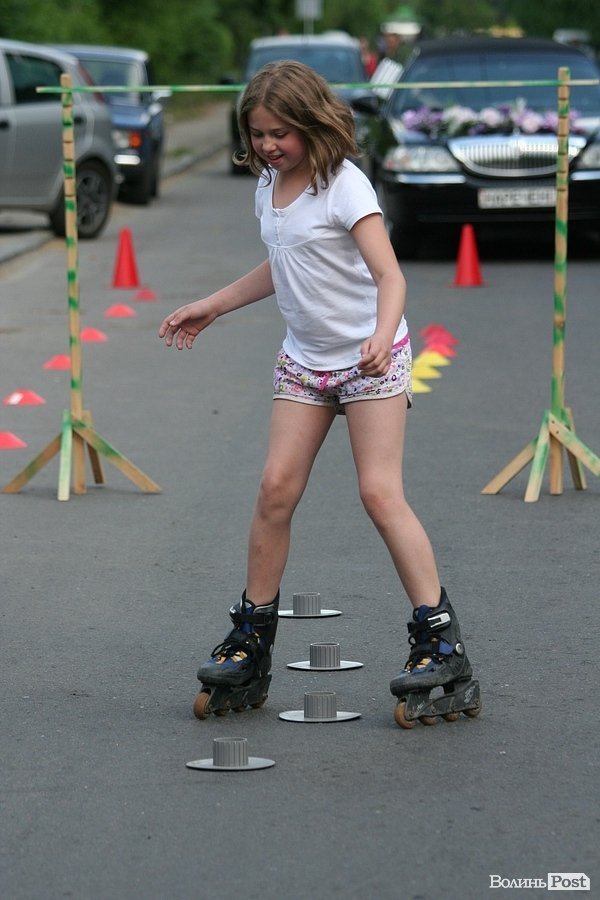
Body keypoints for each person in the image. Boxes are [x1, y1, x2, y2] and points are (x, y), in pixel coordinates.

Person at [158, 61, 479, 727]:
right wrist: (214, 305)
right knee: (275, 490)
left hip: (369, 361)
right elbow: (284, 263)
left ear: (309, 123)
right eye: (258, 134)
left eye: (280, 133)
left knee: (379, 494)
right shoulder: (268, 185)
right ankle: (250, 644)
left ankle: (441, 645)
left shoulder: (344, 185)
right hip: (305, 362)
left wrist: (381, 335)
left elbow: (390, 276)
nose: (269, 145)